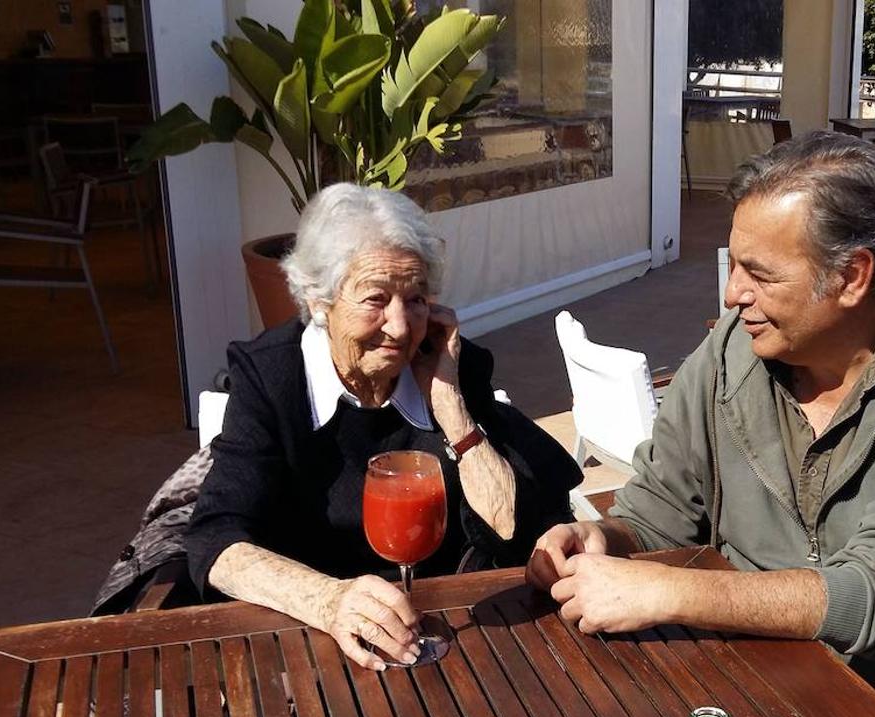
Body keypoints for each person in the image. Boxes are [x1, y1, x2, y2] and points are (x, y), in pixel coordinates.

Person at [525, 133, 875, 717]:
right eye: (734, 265)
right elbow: (661, 510)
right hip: (753, 672)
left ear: (852, 276)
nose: (733, 294)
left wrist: (672, 592)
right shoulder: (734, 349)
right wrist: (610, 541)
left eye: (760, 274)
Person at [187, 183, 582, 671]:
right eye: (376, 298)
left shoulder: (450, 366)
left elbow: (510, 528)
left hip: (447, 635)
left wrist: (449, 404)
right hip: (312, 641)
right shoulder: (273, 379)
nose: (399, 327)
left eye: (416, 299)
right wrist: (329, 601)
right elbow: (215, 540)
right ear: (319, 300)